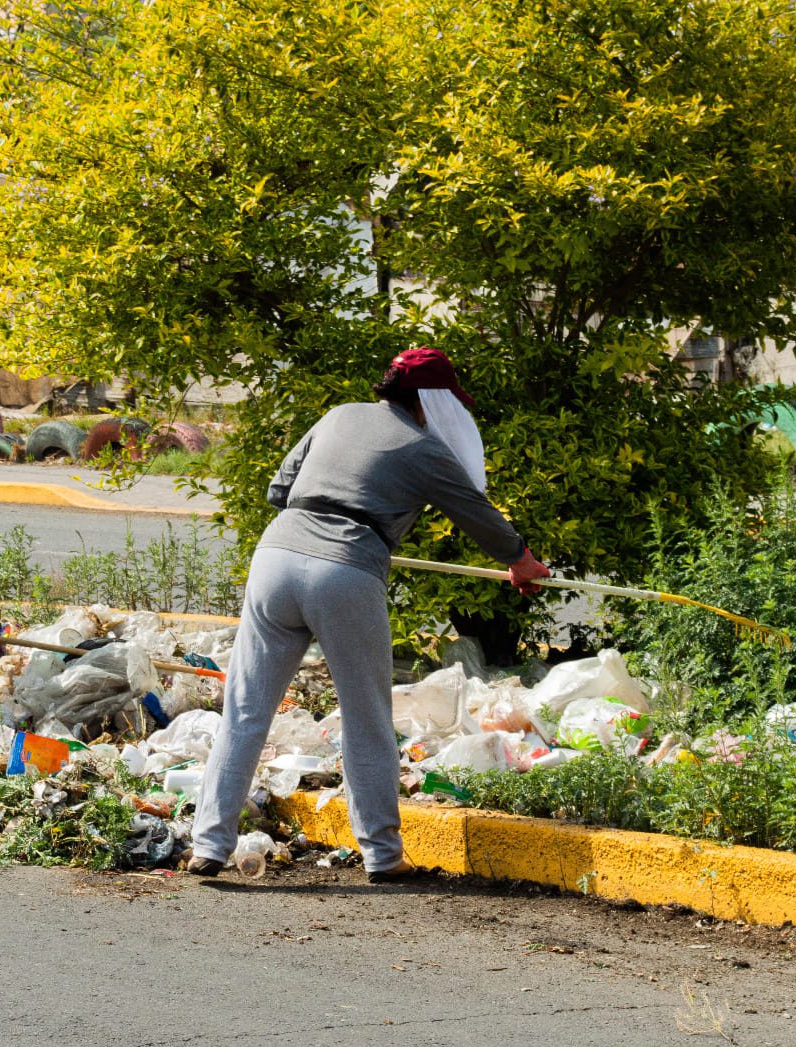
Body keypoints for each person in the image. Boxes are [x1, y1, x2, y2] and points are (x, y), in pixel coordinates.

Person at [188, 347, 551, 882]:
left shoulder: (339, 415)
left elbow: (279, 490)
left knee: (244, 710)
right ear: (431, 402)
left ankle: (208, 846)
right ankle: (382, 855)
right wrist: (520, 561)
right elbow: (478, 514)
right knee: (366, 719)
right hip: (346, 574)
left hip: (275, 560)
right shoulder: (424, 447)